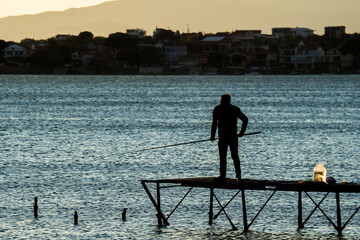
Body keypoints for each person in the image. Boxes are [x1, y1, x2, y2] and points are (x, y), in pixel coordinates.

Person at [210, 94, 248, 180]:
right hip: (231, 136)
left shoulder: (217, 109)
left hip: (225, 136)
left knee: (225, 157)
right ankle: (237, 176)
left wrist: (212, 135)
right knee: (233, 156)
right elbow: (245, 119)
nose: (221, 102)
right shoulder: (234, 109)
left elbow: (214, 123)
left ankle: (225, 176)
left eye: (222, 100)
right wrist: (241, 132)